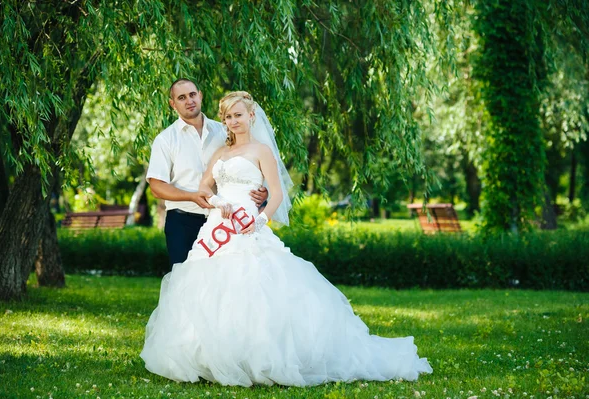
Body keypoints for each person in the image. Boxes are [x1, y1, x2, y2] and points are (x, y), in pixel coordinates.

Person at [140, 91, 432, 387]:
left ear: (251, 116)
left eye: (238, 115)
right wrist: (217, 202)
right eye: (228, 117)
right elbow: (205, 186)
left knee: (255, 287)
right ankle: (207, 357)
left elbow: (276, 192)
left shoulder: (261, 150)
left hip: (249, 227)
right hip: (218, 228)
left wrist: (260, 219)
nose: (233, 121)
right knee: (209, 288)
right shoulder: (220, 153)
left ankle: (258, 357)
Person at [146, 79, 267, 270]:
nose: (189, 101)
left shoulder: (225, 131)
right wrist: (192, 196)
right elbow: (156, 186)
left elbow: (250, 163)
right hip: (183, 221)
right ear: (173, 104)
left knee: (222, 281)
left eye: (192, 94)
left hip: (224, 220)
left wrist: (263, 192)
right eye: (182, 97)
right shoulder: (165, 140)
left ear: (200, 95)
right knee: (184, 279)